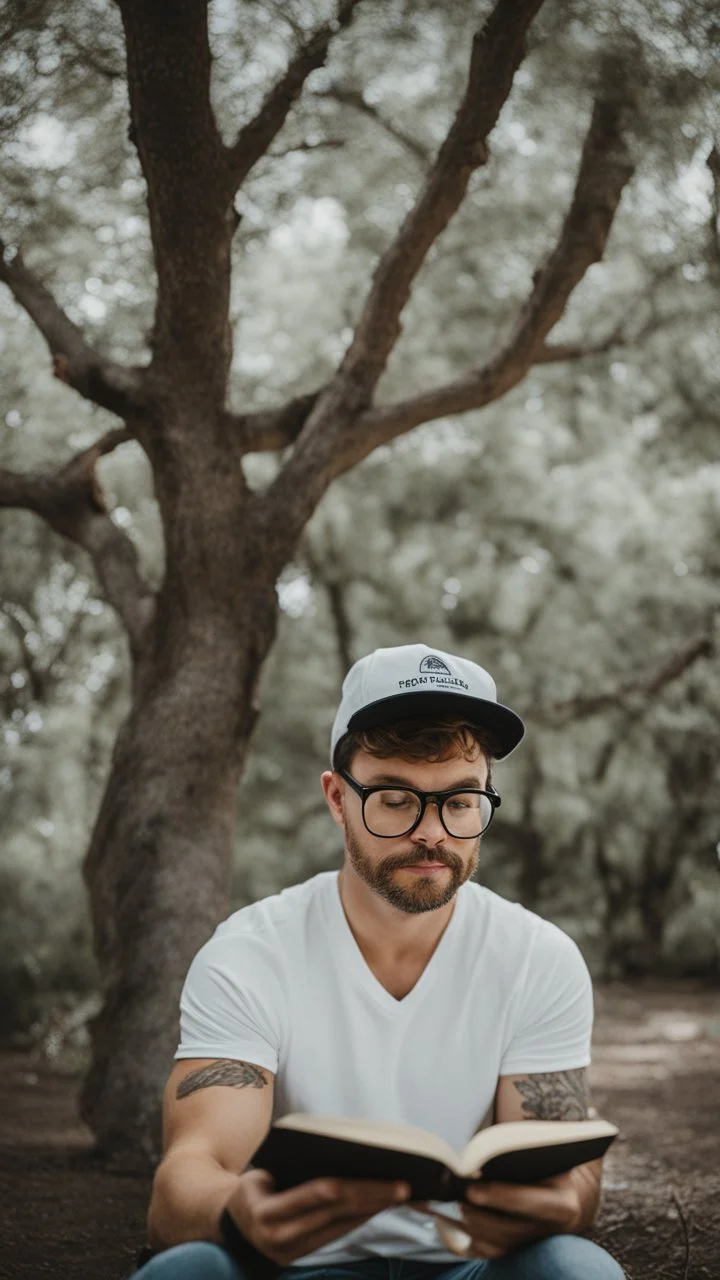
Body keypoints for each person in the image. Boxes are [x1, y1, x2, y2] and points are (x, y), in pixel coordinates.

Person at [136, 643, 625, 1280]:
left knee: (576, 1268)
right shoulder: (248, 954)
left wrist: (567, 1203)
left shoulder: (538, 958)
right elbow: (187, 1178)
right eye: (395, 799)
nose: (433, 832)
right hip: (294, 1265)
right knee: (189, 1270)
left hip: (469, 1266)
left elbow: (570, 1178)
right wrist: (238, 1213)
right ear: (337, 798)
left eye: (460, 801)